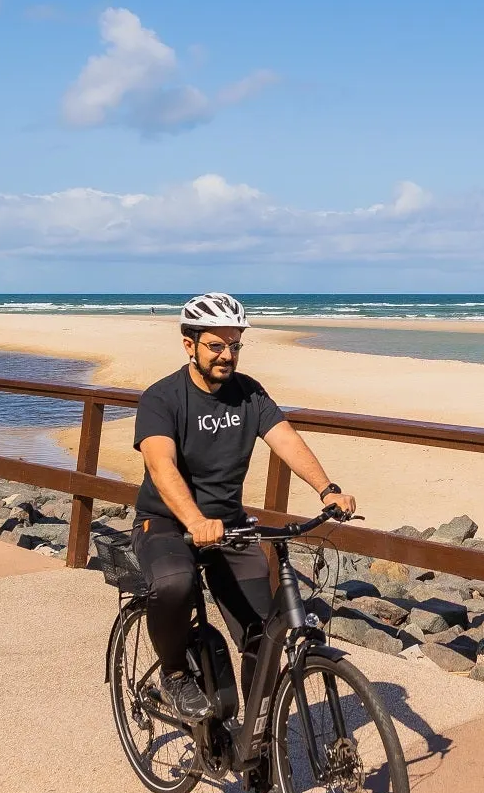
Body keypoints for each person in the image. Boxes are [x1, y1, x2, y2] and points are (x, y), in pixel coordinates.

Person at [134, 292, 357, 722]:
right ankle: (175, 674)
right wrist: (195, 519)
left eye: (235, 345)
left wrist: (327, 489)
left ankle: (254, 732)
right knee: (175, 584)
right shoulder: (162, 398)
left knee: (263, 633)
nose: (227, 355)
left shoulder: (249, 394)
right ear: (189, 345)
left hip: (230, 527)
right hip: (165, 523)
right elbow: (161, 467)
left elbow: (285, 438)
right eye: (216, 345)